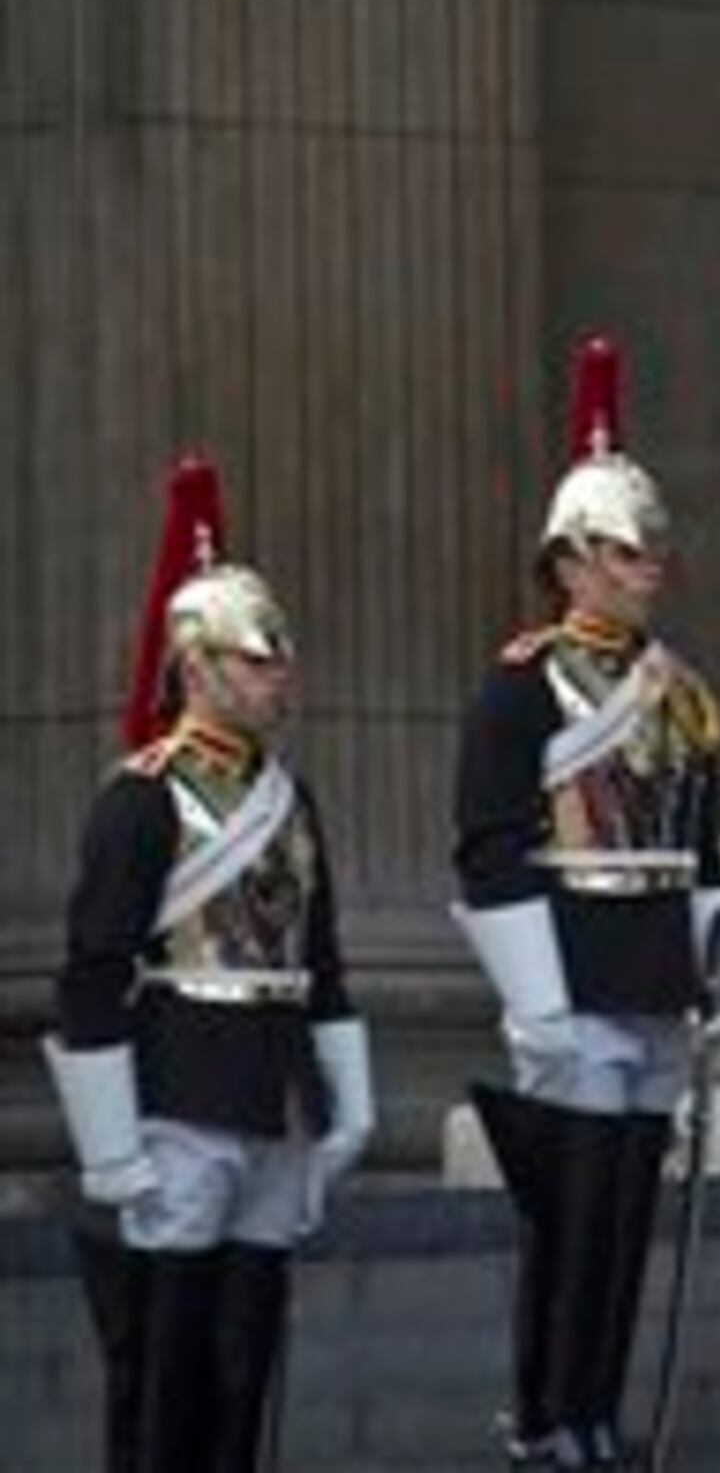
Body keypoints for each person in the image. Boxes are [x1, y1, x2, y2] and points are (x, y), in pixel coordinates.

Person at [452, 340, 720, 1467]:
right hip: (571, 966)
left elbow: (694, 843)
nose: (651, 572)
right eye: (631, 553)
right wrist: (531, 997)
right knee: (571, 1214)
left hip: (650, 966)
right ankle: (546, 1414)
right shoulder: (519, 688)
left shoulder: (678, 690)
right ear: (575, 560)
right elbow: (489, 849)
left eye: (656, 552)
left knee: (627, 1213)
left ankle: (596, 1408)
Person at [50, 458, 375, 1473]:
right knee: (168, 1354)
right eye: (256, 660)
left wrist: (350, 1104)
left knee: (246, 1359)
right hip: (179, 1090)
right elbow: (94, 969)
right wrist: (110, 1148)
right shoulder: (141, 800)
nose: (279, 676)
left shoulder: (291, 798)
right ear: (197, 668)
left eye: (277, 659)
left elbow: (316, 960)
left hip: (273, 1093)